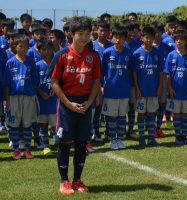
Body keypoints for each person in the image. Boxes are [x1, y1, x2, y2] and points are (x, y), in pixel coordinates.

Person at [50, 16, 100, 194]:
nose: (84, 37)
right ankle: (64, 181)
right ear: (71, 34)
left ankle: (77, 180)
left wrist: (90, 101)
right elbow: (54, 82)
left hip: (85, 104)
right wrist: (68, 103)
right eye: (80, 34)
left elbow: (96, 81)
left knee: (81, 143)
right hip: (66, 104)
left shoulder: (93, 56)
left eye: (87, 33)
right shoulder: (62, 55)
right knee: (64, 143)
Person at [3, 34, 39, 160]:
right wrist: (7, 101)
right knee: (14, 124)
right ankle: (16, 149)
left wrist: (31, 91)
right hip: (14, 97)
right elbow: (6, 84)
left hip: (28, 97)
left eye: (26, 46)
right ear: (15, 46)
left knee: (27, 123)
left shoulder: (31, 62)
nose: (23, 49)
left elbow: (35, 81)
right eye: (20, 46)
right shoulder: (10, 62)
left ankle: (27, 149)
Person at [101, 26, 132, 150]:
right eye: (116, 37)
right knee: (111, 116)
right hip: (111, 90)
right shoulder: (107, 52)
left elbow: (130, 71)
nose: (118, 40)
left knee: (122, 116)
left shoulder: (128, 53)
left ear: (125, 38)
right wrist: (102, 86)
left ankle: (120, 138)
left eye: (121, 37)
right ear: (112, 37)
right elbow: (102, 71)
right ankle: (112, 139)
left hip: (124, 90)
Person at [164, 30, 187, 145]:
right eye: (176, 39)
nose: (178, 41)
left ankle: (183, 136)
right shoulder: (171, 55)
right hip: (175, 91)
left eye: (181, 39)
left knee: (186, 114)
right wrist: (170, 88)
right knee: (177, 114)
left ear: (186, 41)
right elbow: (167, 74)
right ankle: (178, 137)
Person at [133, 26, 162, 148]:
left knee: (151, 114)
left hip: (153, 89)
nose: (149, 40)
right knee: (141, 114)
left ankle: (151, 137)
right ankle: (141, 138)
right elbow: (134, 73)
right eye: (146, 38)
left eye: (151, 38)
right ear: (142, 38)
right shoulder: (137, 53)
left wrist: (159, 87)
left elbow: (160, 72)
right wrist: (137, 88)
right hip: (142, 90)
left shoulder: (157, 52)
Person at [150, 22, 173, 138]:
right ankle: (151, 128)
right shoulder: (148, 47)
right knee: (153, 105)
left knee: (162, 103)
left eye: (160, 32)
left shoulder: (167, 47)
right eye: (155, 32)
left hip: (163, 79)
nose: (158, 34)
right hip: (150, 79)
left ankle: (158, 128)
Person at [36, 38, 57, 155]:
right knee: (43, 123)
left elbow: (61, 79)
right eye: (43, 49)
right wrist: (41, 92)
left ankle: (58, 143)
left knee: (55, 124)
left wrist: (56, 89)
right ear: (39, 51)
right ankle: (46, 145)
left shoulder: (57, 63)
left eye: (49, 49)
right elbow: (34, 83)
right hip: (42, 99)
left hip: (54, 99)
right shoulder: (37, 66)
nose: (46, 51)